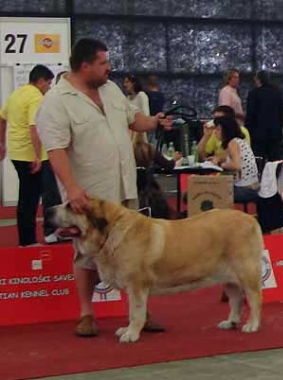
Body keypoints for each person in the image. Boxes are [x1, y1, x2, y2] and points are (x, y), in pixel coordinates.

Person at [36, 38, 173, 337]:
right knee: (86, 254)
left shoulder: (110, 90)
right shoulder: (56, 101)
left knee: (133, 253)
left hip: (124, 187)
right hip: (90, 193)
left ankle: (140, 312)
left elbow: (132, 119)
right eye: (102, 63)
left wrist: (153, 122)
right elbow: (56, 150)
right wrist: (72, 188)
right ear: (84, 66)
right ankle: (87, 314)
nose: (109, 68)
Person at [0, 64, 63, 246]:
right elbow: (34, 128)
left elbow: (2, 118)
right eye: (49, 83)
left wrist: (2, 143)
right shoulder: (35, 97)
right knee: (31, 199)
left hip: (16, 153)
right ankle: (28, 241)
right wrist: (36, 156)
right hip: (30, 156)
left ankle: (27, 239)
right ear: (41, 81)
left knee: (26, 196)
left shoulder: (16, 94)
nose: (49, 88)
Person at [208, 115, 259, 203]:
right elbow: (226, 157)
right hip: (253, 186)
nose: (215, 132)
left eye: (218, 129)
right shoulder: (239, 141)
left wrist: (219, 164)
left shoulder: (233, 143)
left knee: (209, 192)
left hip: (245, 189)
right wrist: (217, 158)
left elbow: (236, 165)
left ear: (226, 130)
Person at [245, 71, 283, 161]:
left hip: (258, 134)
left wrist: (247, 130)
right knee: (274, 160)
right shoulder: (277, 92)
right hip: (275, 132)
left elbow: (251, 114)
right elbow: (281, 113)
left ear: (258, 80)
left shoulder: (253, 94)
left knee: (259, 159)